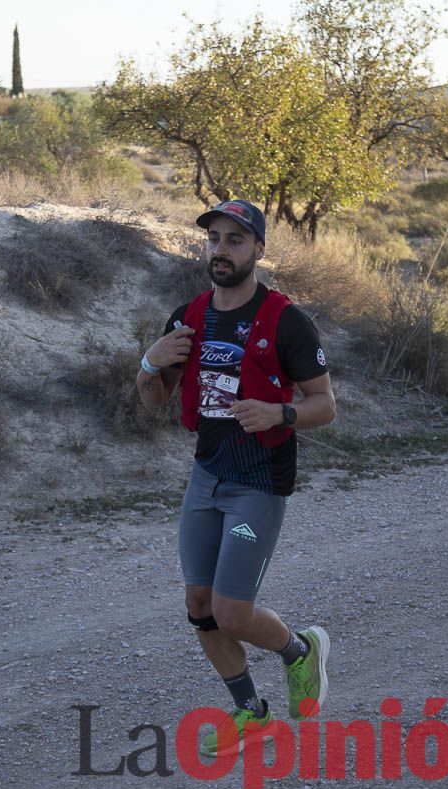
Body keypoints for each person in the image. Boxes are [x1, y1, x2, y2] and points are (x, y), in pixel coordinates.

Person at [136, 199, 337, 757]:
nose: (221, 250)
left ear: (258, 250)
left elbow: (325, 404)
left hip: (260, 481)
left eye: (235, 240)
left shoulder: (287, 320)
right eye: (214, 239)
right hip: (206, 476)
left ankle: (299, 651)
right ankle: (250, 713)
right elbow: (154, 401)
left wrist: (282, 413)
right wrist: (149, 364)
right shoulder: (188, 316)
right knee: (198, 603)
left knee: (232, 612)